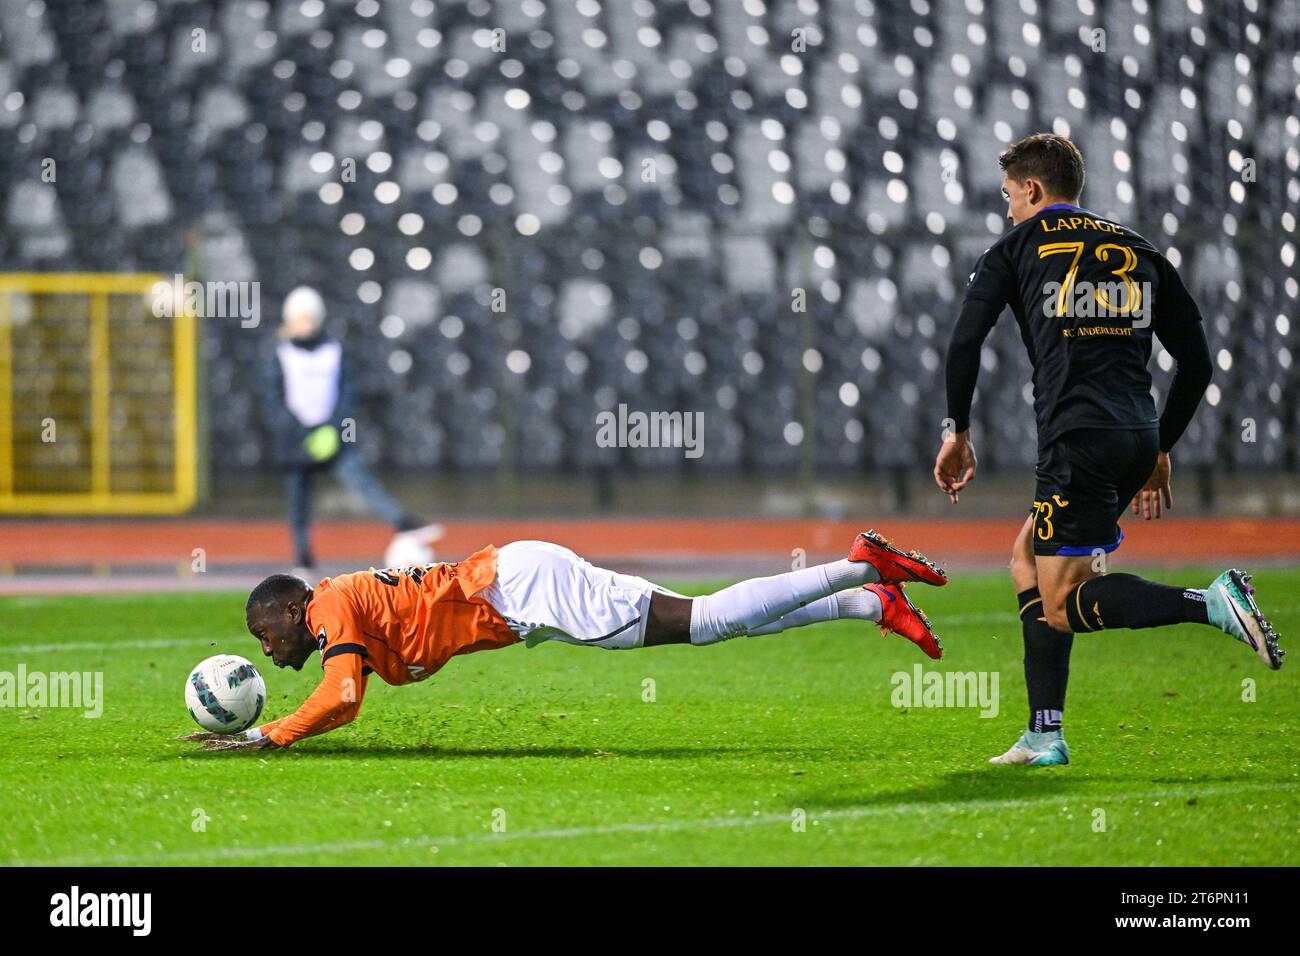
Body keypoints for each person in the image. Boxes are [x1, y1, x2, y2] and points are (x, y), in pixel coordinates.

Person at [933, 133, 1284, 767]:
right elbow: (1199, 363)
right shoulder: (1139, 249)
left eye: (1010, 196)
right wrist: (1160, 447)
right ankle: (1044, 733)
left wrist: (955, 430)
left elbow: (963, 344)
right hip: (1136, 434)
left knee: (1063, 603)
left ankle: (1211, 604)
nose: (1008, 207)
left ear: (1033, 190)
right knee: (1025, 562)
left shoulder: (1013, 249)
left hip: (1078, 441)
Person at [179, 531, 947, 750]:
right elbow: (349, 698)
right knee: (707, 630)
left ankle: (857, 565)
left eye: (261, 633)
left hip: (525, 590)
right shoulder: (335, 611)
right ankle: (867, 605)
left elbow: (342, 695)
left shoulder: (327, 607)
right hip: (523, 595)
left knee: (707, 620)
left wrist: (269, 736)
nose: (267, 651)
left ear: (286, 609)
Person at [265, 286, 425, 570]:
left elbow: (346, 393)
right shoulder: (280, 354)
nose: (305, 324)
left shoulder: (333, 351)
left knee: (360, 480)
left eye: (309, 318)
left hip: (332, 438)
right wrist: (302, 433)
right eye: (299, 318)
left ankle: (401, 521)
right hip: (295, 442)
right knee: (298, 503)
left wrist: (331, 429)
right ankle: (303, 556)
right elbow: (274, 400)